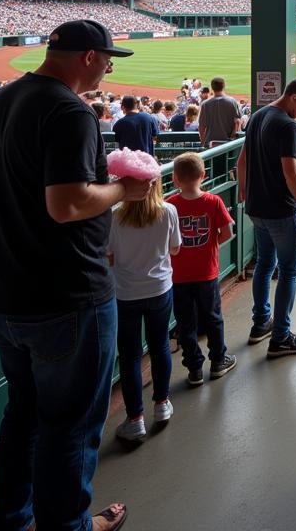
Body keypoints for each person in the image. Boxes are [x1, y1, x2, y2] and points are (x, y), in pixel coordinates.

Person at [0, 19, 151, 531]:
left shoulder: (2, 102)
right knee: (70, 426)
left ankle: (12, 519)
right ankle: (69, 526)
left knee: (23, 416)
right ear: (88, 57)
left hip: (1, 291)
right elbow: (67, 203)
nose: (111, 66)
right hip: (65, 296)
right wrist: (124, 190)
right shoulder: (71, 111)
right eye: (108, 57)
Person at [238, 77, 296, 357]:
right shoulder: (287, 125)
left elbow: (242, 160)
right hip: (282, 210)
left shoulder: (259, 114)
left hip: (257, 207)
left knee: (263, 265)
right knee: (288, 272)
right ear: (293, 97)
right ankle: (281, 336)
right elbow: (290, 173)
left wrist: (244, 193)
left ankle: (261, 323)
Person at [107, 173, 181, 442]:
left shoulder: (114, 214)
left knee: (129, 355)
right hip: (159, 289)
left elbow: (109, 255)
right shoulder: (168, 210)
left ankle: (135, 419)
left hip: (125, 293)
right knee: (160, 345)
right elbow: (175, 249)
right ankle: (162, 404)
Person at [168, 152, 236, 385]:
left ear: (175, 179)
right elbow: (228, 232)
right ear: (204, 176)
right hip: (207, 272)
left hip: (178, 275)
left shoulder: (170, 206)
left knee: (185, 322)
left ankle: (194, 369)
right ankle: (218, 360)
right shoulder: (214, 201)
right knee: (213, 317)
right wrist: (211, 243)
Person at [198, 76, 242, 147]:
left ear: (211, 88)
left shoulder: (205, 104)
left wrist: (203, 143)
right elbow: (237, 123)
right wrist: (232, 138)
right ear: (224, 86)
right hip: (228, 144)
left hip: (210, 145)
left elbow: (201, 127)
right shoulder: (232, 101)